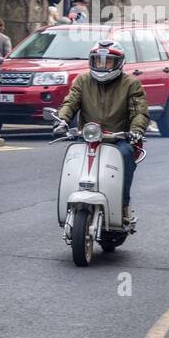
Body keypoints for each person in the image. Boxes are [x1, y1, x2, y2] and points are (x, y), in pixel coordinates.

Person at [52, 42, 149, 222]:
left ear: (119, 63)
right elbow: (70, 102)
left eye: (108, 62)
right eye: (98, 61)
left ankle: (123, 205)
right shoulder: (82, 80)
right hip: (88, 137)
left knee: (126, 155)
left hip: (119, 138)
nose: (102, 66)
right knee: (73, 158)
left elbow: (139, 112)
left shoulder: (130, 84)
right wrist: (62, 120)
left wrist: (136, 130)